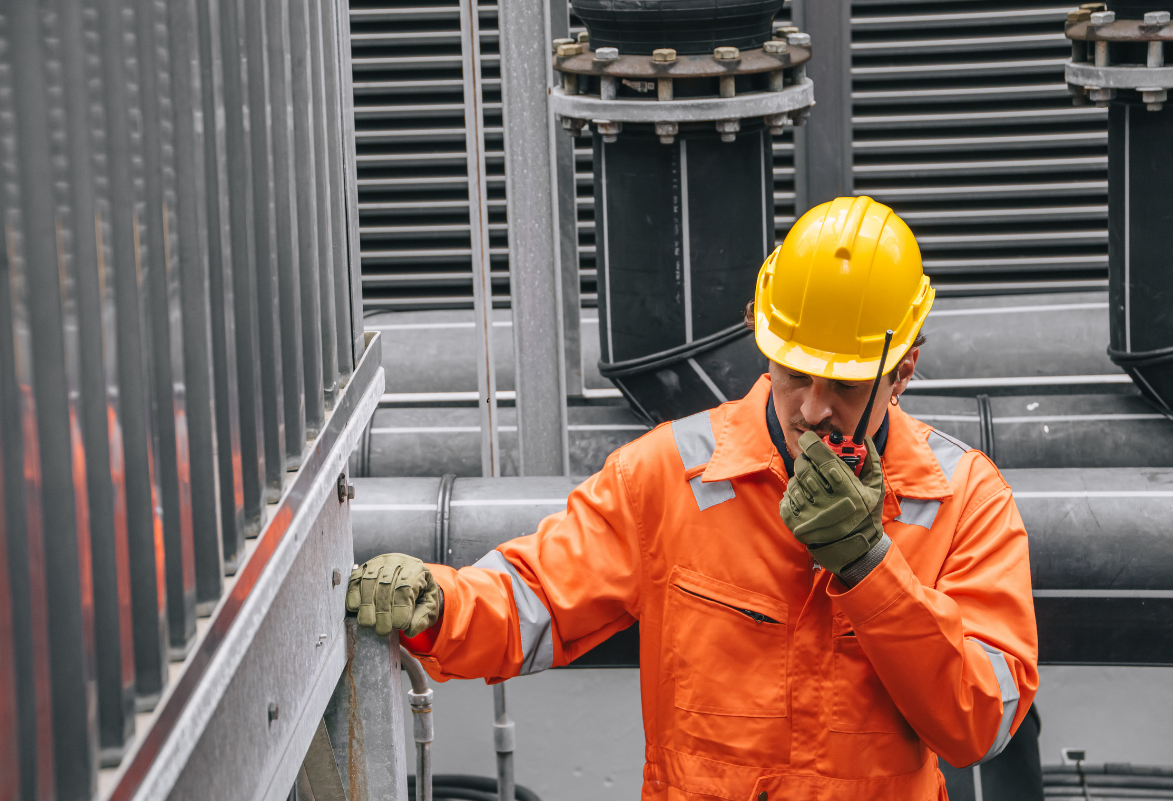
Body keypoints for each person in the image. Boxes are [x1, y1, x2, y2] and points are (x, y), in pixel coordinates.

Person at [346, 196, 1038, 801]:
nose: (814, 410)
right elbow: (537, 596)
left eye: (847, 387)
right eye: (796, 375)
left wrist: (868, 569)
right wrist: (438, 603)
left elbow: (980, 724)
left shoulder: (965, 500)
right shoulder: (669, 475)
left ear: (904, 371)